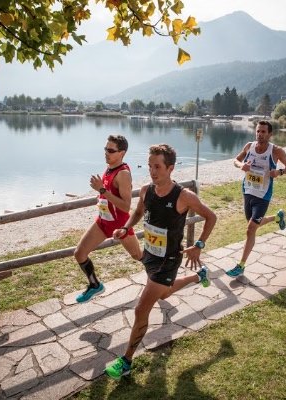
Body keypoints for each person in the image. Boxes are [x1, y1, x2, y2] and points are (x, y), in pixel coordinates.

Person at [104, 143, 217, 380]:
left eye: (157, 167)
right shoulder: (147, 190)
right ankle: (199, 276)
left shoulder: (184, 196)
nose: (152, 171)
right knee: (163, 294)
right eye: (149, 166)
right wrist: (125, 228)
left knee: (141, 308)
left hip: (169, 259)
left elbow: (211, 217)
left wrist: (199, 245)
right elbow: (137, 213)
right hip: (150, 255)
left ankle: (126, 362)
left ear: (170, 168)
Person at [73, 135, 142, 303]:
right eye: (105, 149)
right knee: (79, 253)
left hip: (120, 225)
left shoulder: (123, 174)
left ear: (122, 153)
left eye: (111, 150)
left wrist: (102, 191)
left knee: (138, 255)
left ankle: (161, 276)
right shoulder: (109, 168)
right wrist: (102, 192)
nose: (106, 153)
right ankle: (95, 285)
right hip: (103, 222)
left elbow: (126, 206)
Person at [225, 120, 286, 277]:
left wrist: (280, 172)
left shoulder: (276, 151)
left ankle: (241, 265)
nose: (260, 134)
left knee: (250, 229)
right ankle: (278, 217)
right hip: (247, 191)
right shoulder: (249, 146)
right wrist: (240, 166)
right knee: (253, 225)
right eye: (258, 131)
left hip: (263, 196)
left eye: (263, 132)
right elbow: (236, 160)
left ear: (270, 134)